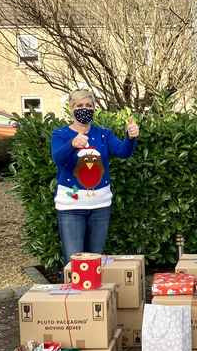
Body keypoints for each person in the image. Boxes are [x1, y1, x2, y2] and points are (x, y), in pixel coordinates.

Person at [51, 89, 139, 262]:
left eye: (89, 105)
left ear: (94, 108)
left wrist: (130, 137)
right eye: (80, 105)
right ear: (71, 108)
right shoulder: (60, 134)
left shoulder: (103, 134)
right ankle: (75, 290)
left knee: (95, 261)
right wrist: (72, 144)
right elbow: (58, 159)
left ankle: (93, 290)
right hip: (71, 206)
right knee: (75, 262)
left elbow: (123, 152)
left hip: (100, 205)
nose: (85, 109)